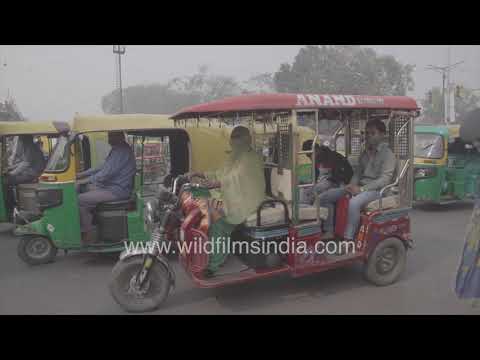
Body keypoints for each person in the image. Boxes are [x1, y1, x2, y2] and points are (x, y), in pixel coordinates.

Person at [188, 126, 266, 275]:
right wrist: (201, 174)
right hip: (236, 197)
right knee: (207, 208)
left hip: (249, 200)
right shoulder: (236, 156)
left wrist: (217, 184)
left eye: (238, 138)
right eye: (233, 138)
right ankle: (208, 252)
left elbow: (236, 178)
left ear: (246, 139)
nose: (234, 141)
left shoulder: (251, 158)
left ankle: (214, 265)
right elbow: (221, 173)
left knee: (218, 222)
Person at [318, 119, 396, 244]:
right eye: (366, 133)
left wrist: (361, 189)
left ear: (382, 135)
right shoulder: (364, 153)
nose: (368, 136)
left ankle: (348, 240)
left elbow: (385, 180)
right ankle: (329, 230)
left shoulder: (388, 155)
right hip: (360, 187)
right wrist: (352, 185)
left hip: (377, 191)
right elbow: (358, 173)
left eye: (372, 133)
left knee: (354, 203)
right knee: (324, 197)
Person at [76, 131, 136, 244]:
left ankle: (89, 234)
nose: (108, 138)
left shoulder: (121, 151)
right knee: (85, 189)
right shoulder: (118, 149)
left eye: (111, 135)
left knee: (80, 200)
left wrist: (84, 180)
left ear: (118, 136)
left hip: (117, 190)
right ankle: (94, 224)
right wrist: (82, 175)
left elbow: (106, 174)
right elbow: (102, 166)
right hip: (112, 187)